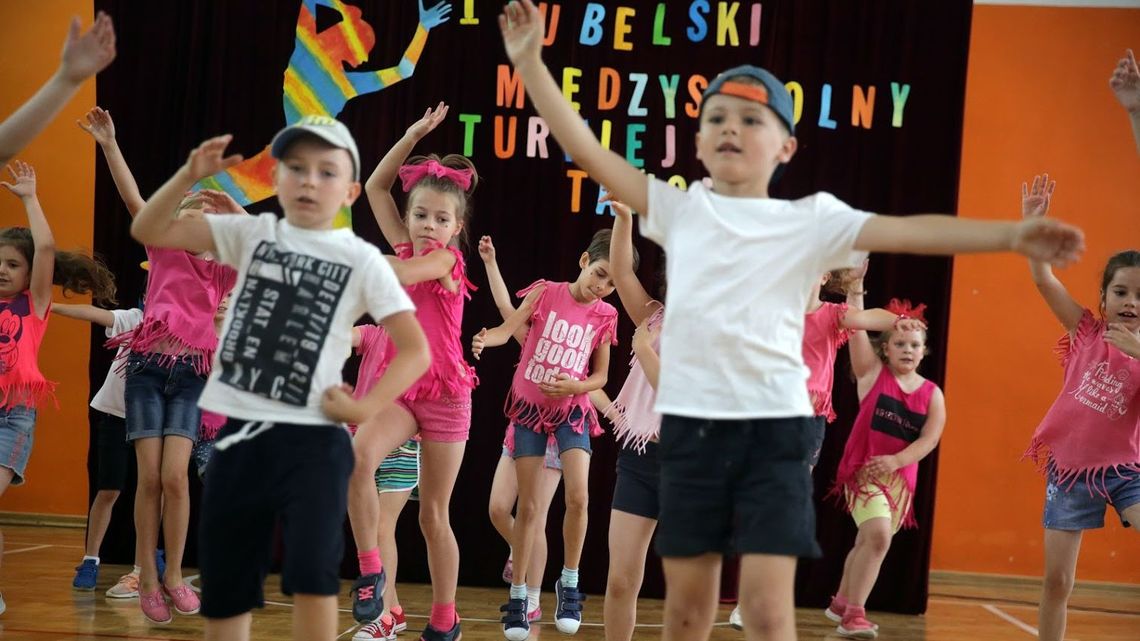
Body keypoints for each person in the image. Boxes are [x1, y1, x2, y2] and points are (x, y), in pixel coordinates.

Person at [128, 115, 430, 641]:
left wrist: (363, 408)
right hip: (241, 439)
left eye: (326, 171)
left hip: (314, 444)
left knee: (313, 587)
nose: (310, 180)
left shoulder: (360, 260)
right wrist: (186, 175)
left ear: (350, 190)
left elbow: (415, 350)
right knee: (229, 587)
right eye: (296, 168)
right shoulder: (250, 235)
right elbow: (150, 229)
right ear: (277, 179)